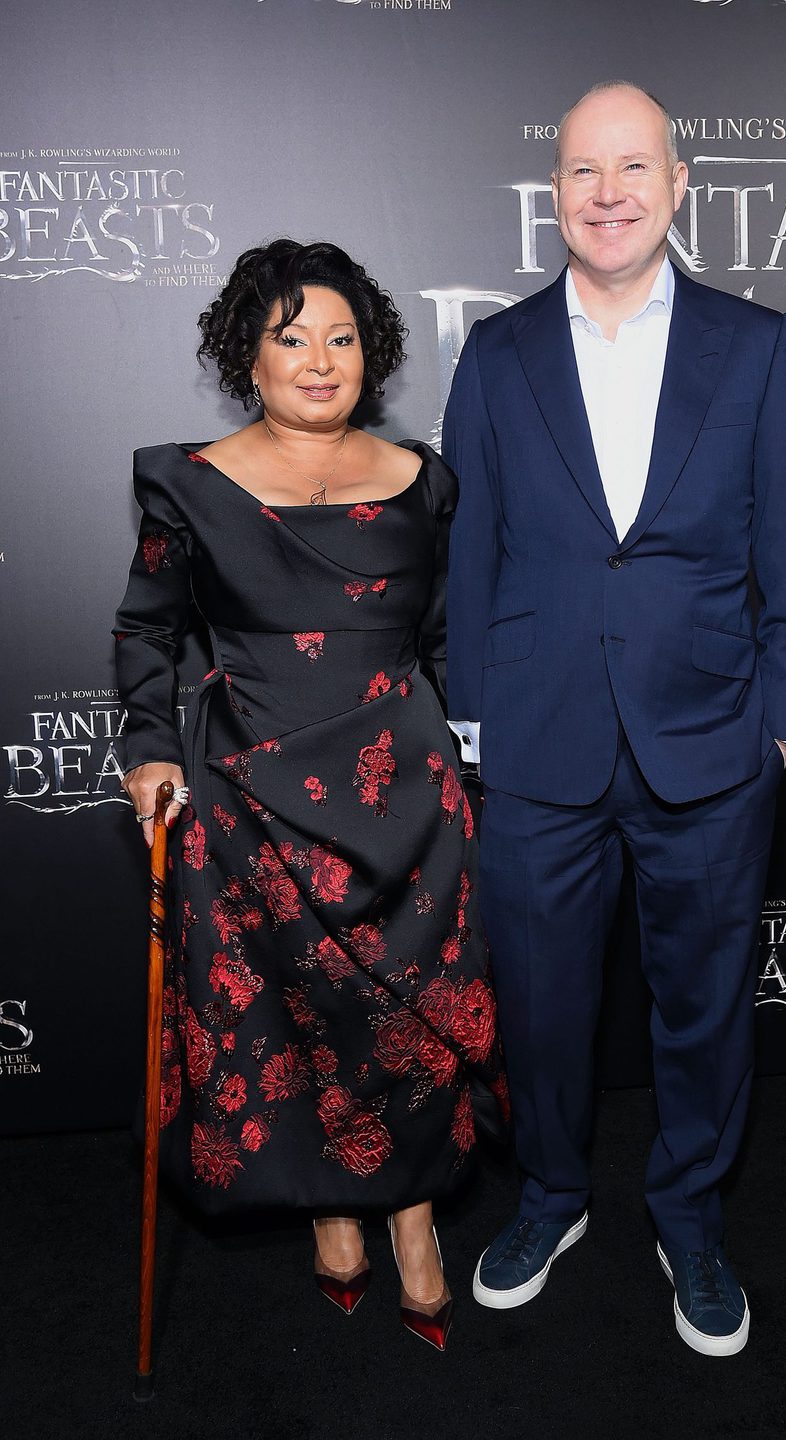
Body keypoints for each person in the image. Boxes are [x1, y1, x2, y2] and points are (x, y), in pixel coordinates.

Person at [442, 82, 786, 1356]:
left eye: (632, 169)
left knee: (705, 1004)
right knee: (542, 1007)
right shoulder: (497, 354)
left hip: (713, 743)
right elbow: (475, 555)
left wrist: (783, 725)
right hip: (539, 748)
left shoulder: (758, 344)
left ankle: (692, 1220)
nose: (607, 193)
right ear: (552, 195)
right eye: (581, 172)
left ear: (676, 188)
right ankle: (551, 1196)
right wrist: (478, 726)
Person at [114, 239, 506, 1352]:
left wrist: (479, 760)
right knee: (302, 1010)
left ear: (369, 355)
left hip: (409, 792)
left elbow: (444, 642)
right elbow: (148, 629)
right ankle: (335, 1214)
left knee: (412, 1018)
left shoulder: (424, 482)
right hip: (252, 787)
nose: (319, 360)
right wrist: (149, 748)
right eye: (292, 339)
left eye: (341, 338)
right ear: (251, 356)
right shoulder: (186, 481)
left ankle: (416, 1224)